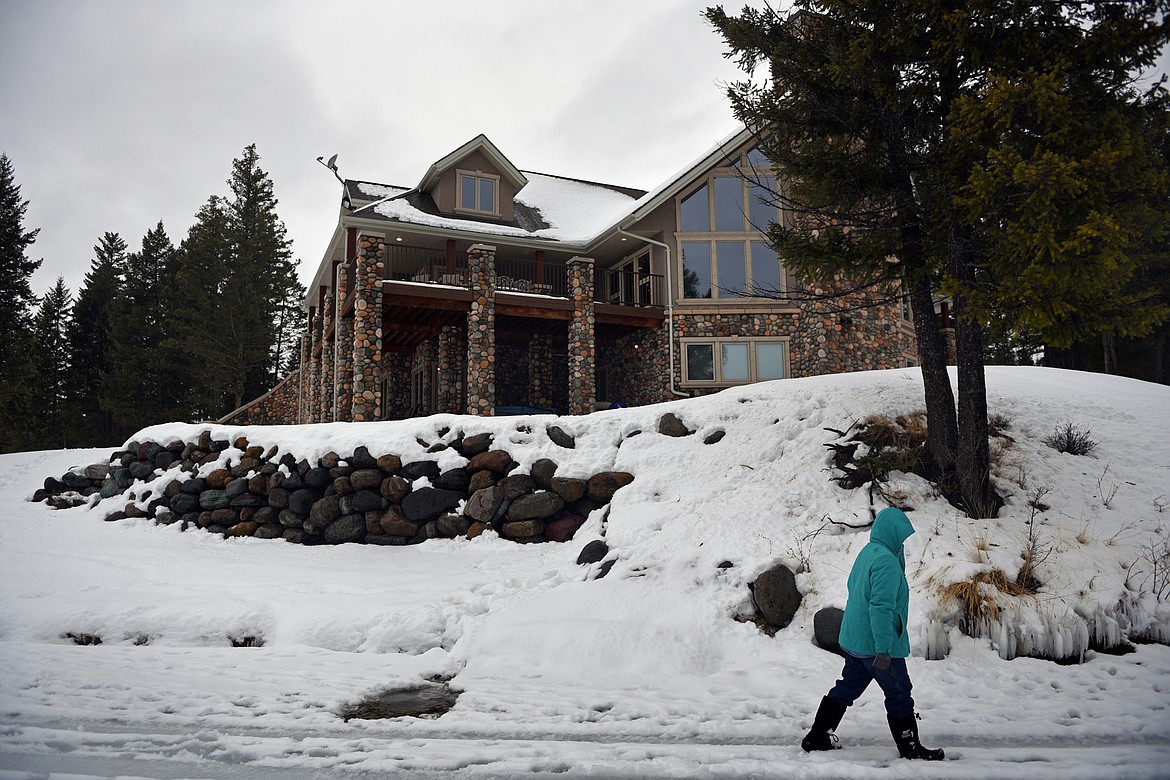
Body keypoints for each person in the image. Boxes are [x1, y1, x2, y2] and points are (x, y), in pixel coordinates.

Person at [801, 506, 944, 761]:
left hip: (855, 641)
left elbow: (854, 588)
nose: (903, 542)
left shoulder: (869, 552)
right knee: (899, 692)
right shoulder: (887, 562)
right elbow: (880, 608)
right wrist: (883, 649)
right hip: (875, 644)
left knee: (848, 686)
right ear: (891, 534)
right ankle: (910, 747)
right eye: (901, 536)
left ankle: (817, 736)